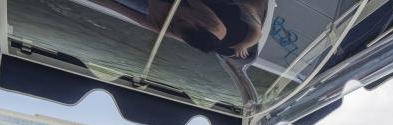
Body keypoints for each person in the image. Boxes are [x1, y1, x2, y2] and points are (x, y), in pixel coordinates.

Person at [91, 0, 267, 58]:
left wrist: (100, 2)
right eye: (181, 23)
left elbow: (130, 14)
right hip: (227, 14)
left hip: (155, 8)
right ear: (198, 25)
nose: (176, 24)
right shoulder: (215, 25)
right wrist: (244, 44)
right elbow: (257, 32)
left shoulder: (176, 31)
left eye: (176, 27)